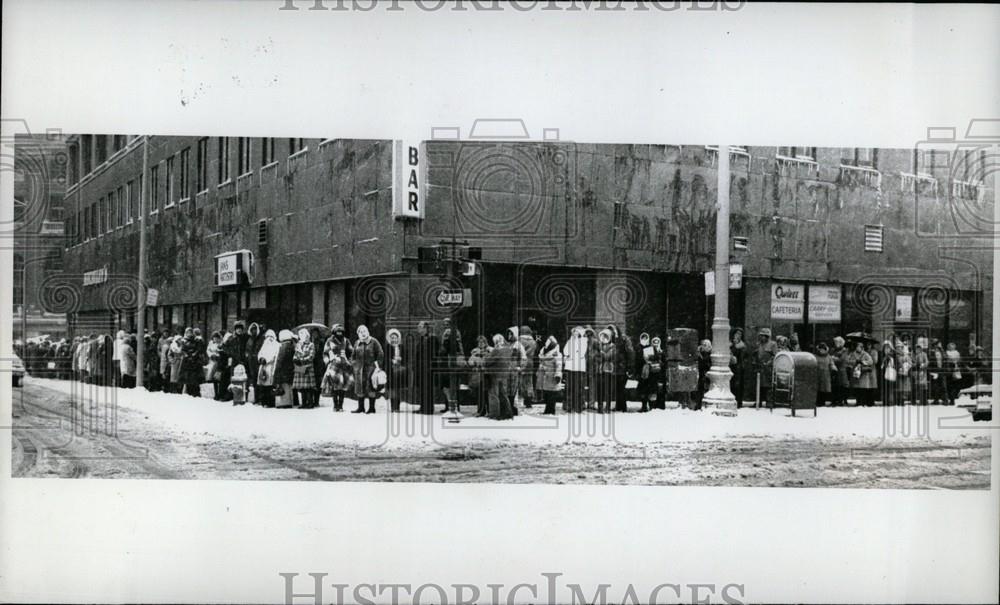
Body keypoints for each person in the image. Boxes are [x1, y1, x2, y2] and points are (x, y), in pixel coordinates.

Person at [352, 325, 384, 414]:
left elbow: (380, 353)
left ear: (368, 331)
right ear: (358, 333)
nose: (363, 333)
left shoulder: (374, 341)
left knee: (371, 388)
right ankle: (361, 407)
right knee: (360, 388)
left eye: (364, 331)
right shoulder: (357, 343)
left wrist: (377, 365)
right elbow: (353, 356)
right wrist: (354, 365)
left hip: (371, 369)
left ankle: (372, 408)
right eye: (360, 332)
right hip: (359, 369)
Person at [323, 324, 354, 412]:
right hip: (333, 365)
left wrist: (349, 360)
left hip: (344, 365)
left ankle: (340, 405)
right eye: (337, 331)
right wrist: (328, 360)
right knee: (334, 386)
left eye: (341, 331)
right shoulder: (329, 340)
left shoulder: (346, 340)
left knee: (343, 386)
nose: (339, 333)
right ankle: (335, 405)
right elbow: (325, 352)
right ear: (334, 332)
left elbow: (352, 352)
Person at [410, 321, 438, 415]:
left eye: (420, 327)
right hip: (421, 368)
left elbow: (435, 353)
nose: (418, 328)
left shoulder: (431, 338)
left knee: (427, 388)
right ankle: (423, 406)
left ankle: (428, 408)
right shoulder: (421, 339)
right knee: (422, 388)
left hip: (428, 368)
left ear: (425, 328)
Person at [486, 334, 514, 420]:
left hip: (495, 374)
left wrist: (490, 353)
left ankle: (494, 414)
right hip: (504, 374)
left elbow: (488, 362)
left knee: (493, 394)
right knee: (503, 394)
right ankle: (507, 413)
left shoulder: (496, 351)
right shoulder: (508, 350)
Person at [440, 321, 465, 414]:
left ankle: (452, 406)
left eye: (447, 324)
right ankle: (450, 405)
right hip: (449, 364)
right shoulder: (457, 342)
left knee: (449, 386)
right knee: (449, 386)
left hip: (450, 364)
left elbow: (445, 351)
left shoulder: (451, 341)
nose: (445, 326)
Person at [562, 326, 588, 413]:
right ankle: (569, 405)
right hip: (570, 367)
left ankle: (579, 406)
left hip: (579, 367)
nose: (575, 334)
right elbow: (565, 351)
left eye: (577, 332)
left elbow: (581, 352)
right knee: (570, 387)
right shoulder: (570, 341)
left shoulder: (584, 341)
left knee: (579, 387)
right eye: (574, 332)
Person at [610, 324, 635, 413]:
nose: (613, 332)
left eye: (614, 330)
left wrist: (630, 367)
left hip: (622, 367)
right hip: (613, 369)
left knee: (622, 388)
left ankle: (623, 406)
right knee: (616, 388)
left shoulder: (624, 339)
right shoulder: (610, 340)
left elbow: (630, 353)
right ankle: (618, 406)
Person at [292, 328, 318, 408]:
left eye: (304, 335)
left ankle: (310, 403)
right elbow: (296, 354)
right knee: (302, 387)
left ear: (307, 336)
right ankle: (303, 403)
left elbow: (311, 356)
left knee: (309, 387)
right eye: (301, 335)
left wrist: (302, 360)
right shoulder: (298, 344)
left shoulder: (311, 344)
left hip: (308, 367)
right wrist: (295, 359)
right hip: (300, 367)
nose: (302, 337)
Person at [537, 335, 563, 415]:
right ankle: (548, 409)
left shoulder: (556, 354)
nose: (546, 343)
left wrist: (558, 375)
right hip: (545, 375)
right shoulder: (544, 351)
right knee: (547, 393)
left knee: (552, 394)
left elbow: (559, 365)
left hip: (552, 376)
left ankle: (551, 410)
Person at [637, 333, 663, 413]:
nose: (644, 340)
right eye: (643, 338)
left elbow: (657, 358)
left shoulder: (651, 347)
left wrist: (651, 358)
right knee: (643, 390)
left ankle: (651, 406)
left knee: (651, 389)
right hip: (643, 371)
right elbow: (636, 359)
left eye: (646, 338)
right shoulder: (638, 348)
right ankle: (644, 406)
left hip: (651, 372)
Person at [847, 340, 876, 406]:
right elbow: (848, 361)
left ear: (862, 348)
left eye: (860, 347)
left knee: (863, 389)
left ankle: (862, 402)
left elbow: (871, 361)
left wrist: (862, 362)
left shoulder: (865, 354)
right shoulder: (852, 354)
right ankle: (858, 401)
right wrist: (855, 362)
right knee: (857, 388)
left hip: (863, 373)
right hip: (856, 373)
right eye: (857, 347)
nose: (858, 348)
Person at [753, 328, 777, 406]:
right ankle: (758, 401)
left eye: (764, 336)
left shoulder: (773, 344)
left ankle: (769, 402)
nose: (762, 337)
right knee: (759, 385)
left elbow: (775, 356)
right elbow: (755, 355)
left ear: (767, 336)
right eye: (761, 336)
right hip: (760, 368)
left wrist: (769, 363)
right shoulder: (758, 344)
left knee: (769, 386)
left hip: (768, 369)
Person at [468, 335, 491, 417]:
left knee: (486, 393)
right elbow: (470, 362)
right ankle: (481, 410)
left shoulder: (489, 351)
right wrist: (474, 362)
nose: (481, 344)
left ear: (485, 342)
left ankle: (489, 410)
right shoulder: (474, 352)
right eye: (479, 342)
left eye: (482, 342)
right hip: (477, 375)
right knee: (479, 393)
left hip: (486, 375)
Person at [255, 330, 279, 408]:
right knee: (263, 385)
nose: (269, 338)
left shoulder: (276, 345)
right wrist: (260, 358)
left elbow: (274, 355)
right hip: (263, 367)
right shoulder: (264, 345)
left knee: (270, 386)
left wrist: (266, 360)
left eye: (271, 337)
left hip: (270, 367)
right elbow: (260, 353)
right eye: (268, 336)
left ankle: (270, 402)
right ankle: (263, 401)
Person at [385, 328, 406, 413]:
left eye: (395, 337)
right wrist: (391, 361)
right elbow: (385, 358)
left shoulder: (401, 347)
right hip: (391, 371)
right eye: (392, 337)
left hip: (400, 371)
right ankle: (393, 406)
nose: (394, 339)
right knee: (392, 389)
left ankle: (397, 407)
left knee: (398, 389)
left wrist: (401, 360)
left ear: (398, 338)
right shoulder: (387, 347)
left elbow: (406, 357)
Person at [274, 330, 297, 409]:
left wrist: (277, 370)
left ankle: (284, 403)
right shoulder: (292, 345)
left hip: (283, 370)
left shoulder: (283, 346)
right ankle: (289, 402)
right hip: (289, 369)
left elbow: (280, 359)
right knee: (288, 386)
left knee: (284, 386)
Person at [517, 325, 538, 408]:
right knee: (529, 382)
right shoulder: (533, 342)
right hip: (530, 363)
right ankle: (528, 400)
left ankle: (519, 399)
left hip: (521, 362)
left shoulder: (519, 341)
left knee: (520, 381)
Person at [179, 328, 204, 397]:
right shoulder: (184, 341)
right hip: (187, 363)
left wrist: (193, 355)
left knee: (195, 381)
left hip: (194, 363)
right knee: (187, 380)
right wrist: (186, 355)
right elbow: (182, 350)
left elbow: (199, 350)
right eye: (188, 333)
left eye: (190, 332)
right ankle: (189, 393)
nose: (189, 334)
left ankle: (196, 394)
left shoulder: (196, 341)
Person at [597, 328, 616, 414]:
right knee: (600, 389)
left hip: (608, 370)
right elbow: (596, 357)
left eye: (606, 337)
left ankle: (607, 407)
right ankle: (600, 407)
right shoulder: (599, 346)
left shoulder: (612, 346)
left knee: (608, 390)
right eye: (602, 336)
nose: (604, 339)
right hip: (600, 370)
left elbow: (609, 357)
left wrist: (602, 354)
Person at [245, 323, 263, 404]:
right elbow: (247, 350)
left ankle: (260, 398)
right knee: (255, 381)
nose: (254, 331)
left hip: (258, 362)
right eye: (252, 330)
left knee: (260, 380)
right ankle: (256, 398)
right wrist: (248, 355)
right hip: (251, 362)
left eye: (255, 329)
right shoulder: (249, 340)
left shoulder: (261, 339)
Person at [729, 328, 747, 408]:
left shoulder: (742, 345)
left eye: (740, 334)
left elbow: (743, 357)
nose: (738, 335)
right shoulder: (730, 344)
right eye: (737, 333)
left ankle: (738, 402)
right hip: (730, 366)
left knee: (738, 385)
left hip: (739, 367)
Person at [814, 342, 835, 406]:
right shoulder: (815, 356)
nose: (822, 351)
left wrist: (833, 369)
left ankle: (822, 401)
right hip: (817, 374)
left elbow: (831, 364)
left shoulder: (828, 357)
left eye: (823, 349)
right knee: (817, 388)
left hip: (826, 374)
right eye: (820, 349)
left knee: (824, 388)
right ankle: (817, 401)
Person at [831, 336, 850, 406]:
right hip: (835, 370)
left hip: (842, 370)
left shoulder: (844, 351)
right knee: (835, 385)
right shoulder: (833, 350)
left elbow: (841, 360)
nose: (835, 343)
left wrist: (833, 358)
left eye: (837, 342)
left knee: (842, 385)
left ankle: (842, 399)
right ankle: (836, 399)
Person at [880, 341, 897, 407]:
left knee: (890, 388)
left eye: (888, 348)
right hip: (884, 374)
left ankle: (890, 401)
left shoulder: (892, 356)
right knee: (884, 388)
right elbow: (881, 366)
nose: (886, 350)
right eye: (885, 348)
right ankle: (885, 402)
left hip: (891, 373)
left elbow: (894, 365)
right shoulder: (882, 356)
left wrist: (889, 359)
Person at [207, 331, 224, 399]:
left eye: (217, 338)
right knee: (214, 379)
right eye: (214, 338)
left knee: (219, 378)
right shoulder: (211, 344)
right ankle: (216, 393)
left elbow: (222, 352)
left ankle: (220, 393)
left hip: (219, 362)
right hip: (213, 362)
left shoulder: (221, 344)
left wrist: (218, 356)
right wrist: (211, 355)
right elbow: (208, 350)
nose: (216, 339)